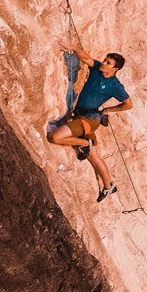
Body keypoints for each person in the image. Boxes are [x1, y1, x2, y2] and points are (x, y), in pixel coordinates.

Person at [46, 48, 131, 202]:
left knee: (54, 137)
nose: (104, 63)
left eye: (108, 63)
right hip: (85, 117)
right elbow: (85, 57)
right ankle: (108, 186)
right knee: (94, 157)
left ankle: (85, 142)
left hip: (89, 119)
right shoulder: (97, 69)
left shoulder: (115, 85)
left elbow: (128, 104)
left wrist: (108, 110)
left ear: (115, 69)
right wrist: (72, 47)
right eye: (105, 60)